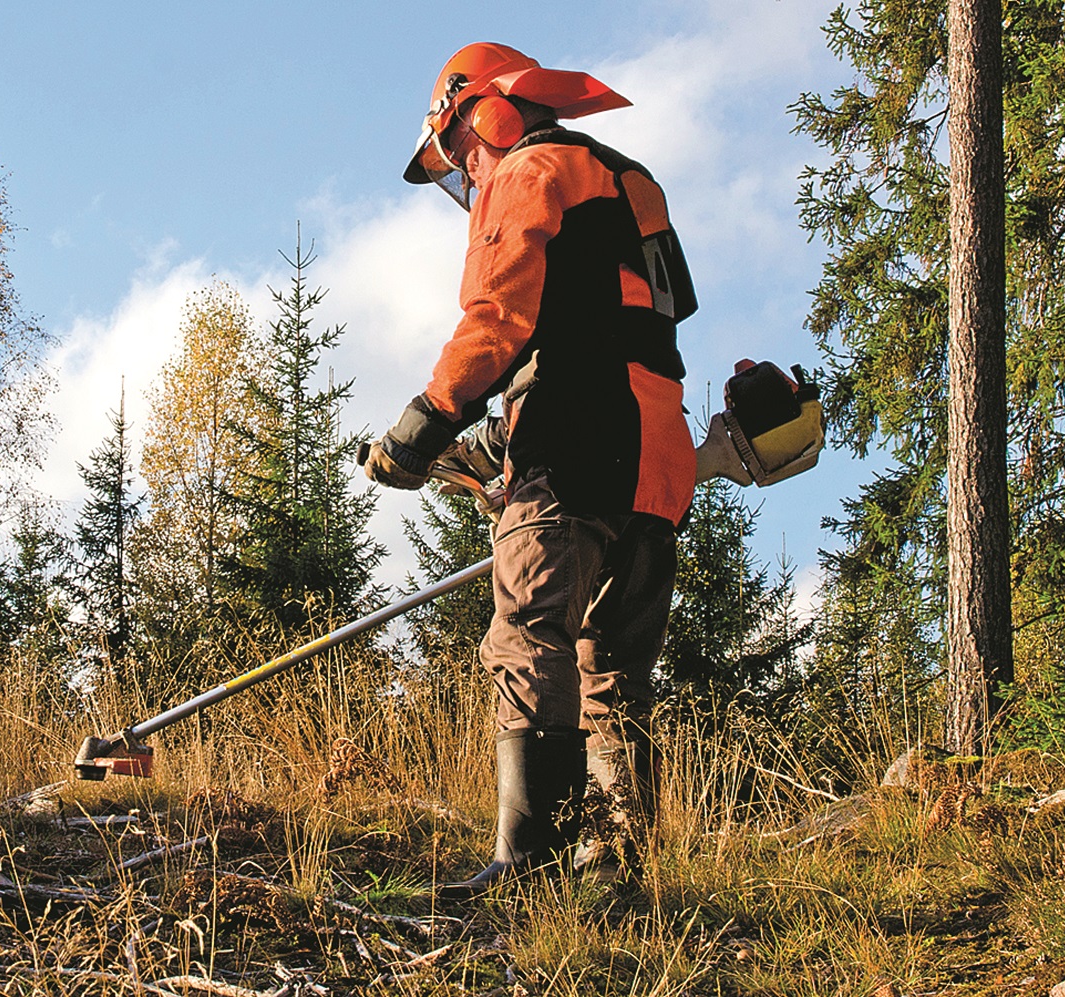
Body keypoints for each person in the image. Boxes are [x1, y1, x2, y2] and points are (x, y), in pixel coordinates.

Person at [363, 41, 698, 895]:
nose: (466, 174)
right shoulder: (632, 178)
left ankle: (529, 867)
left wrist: (422, 426)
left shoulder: (528, 170)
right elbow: (644, 313)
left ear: (487, 112)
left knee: (526, 634)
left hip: (577, 435)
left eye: (458, 151)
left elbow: (497, 319)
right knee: (613, 669)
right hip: (659, 455)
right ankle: (612, 872)